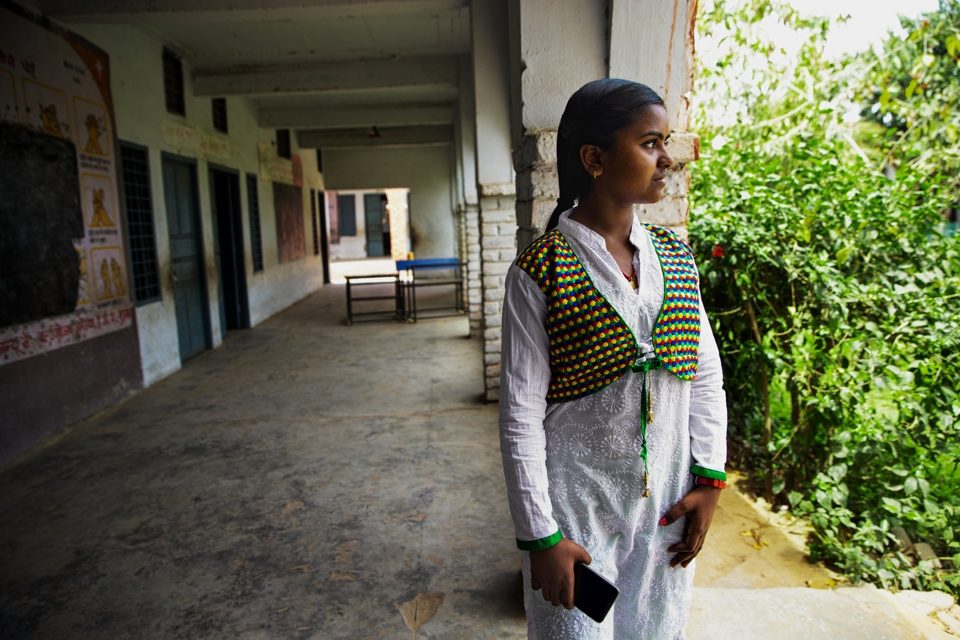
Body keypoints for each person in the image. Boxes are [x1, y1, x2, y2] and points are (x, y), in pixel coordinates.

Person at [498, 78, 728, 639]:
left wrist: (708, 479)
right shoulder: (541, 270)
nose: (666, 158)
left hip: (667, 504)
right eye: (650, 143)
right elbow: (520, 414)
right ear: (595, 158)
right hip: (576, 508)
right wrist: (541, 536)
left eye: (665, 142)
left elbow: (702, 376)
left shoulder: (674, 258)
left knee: (654, 629)